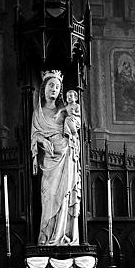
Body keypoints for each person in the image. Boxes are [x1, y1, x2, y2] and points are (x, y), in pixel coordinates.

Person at [31, 71, 81, 246]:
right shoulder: (38, 113)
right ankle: (46, 237)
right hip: (49, 160)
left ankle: (63, 236)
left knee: (65, 196)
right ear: (44, 89)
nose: (54, 89)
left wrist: (71, 123)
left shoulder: (64, 110)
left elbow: (75, 126)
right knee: (49, 196)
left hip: (65, 155)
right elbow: (34, 135)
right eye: (51, 85)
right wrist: (43, 140)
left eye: (58, 86)